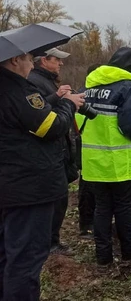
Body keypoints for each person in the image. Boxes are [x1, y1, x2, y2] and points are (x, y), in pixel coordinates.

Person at [1, 51, 85, 301]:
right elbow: (50, 127)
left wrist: (53, 101)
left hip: (10, 184)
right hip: (29, 186)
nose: (31, 62)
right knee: (26, 253)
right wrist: (68, 105)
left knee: (7, 250)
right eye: (26, 57)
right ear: (14, 61)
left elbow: (25, 118)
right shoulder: (17, 89)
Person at [81, 47, 131, 266]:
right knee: (123, 206)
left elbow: (77, 120)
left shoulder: (88, 86)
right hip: (118, 160)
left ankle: (103, 256)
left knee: (102, 207)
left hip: (93, 160)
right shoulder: (128, 89)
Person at [26, 48, 78, 255]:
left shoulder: (44, 80)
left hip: (57, 148)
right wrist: (62, 99)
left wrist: (59, 95)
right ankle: (50, 244)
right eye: (57, 59)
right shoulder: (33, 81)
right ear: (43, 61)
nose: (61, 63)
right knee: (54, 199)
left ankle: (51, 241)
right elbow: (38, 115)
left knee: (60, 197)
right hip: (48, 149)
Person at [74, 63, 103, 239]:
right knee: (87, 187)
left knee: (90, 186)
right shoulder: (86, 94)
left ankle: (91, 222)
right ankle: (86, 225)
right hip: (87, 145)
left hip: (87, 144)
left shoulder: (84, 91)